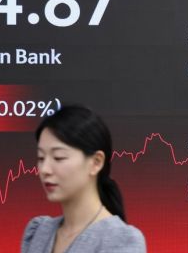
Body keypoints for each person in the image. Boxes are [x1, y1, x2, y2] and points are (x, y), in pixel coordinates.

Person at [21, 105, 146, 253]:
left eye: (59, 157)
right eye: (41, 158)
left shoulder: (120, 240)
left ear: (96, 162)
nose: (44, 169)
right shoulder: (39, 232)